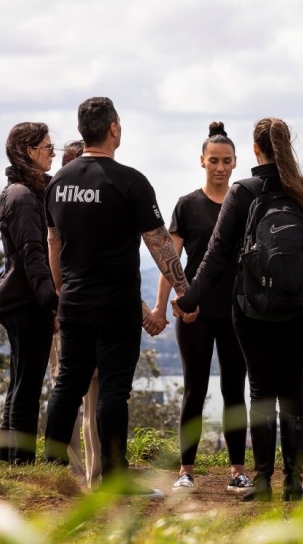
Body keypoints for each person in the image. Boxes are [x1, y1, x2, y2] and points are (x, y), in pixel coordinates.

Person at [175, 118, 303, 502]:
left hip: (252, 308)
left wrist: (189, 299)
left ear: (255, 150)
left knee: (260, 391)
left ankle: (261, 482)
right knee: (294, 391)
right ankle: (292, 482)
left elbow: (216, 256)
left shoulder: (242, 193)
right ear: (288, 146)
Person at [41, 97, 191, 487]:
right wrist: (185, 293)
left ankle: (50, 472)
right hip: (117, 306)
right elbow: (160, 245)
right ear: (113, 129)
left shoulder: (58, 182)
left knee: (67, 385)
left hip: (74, 303)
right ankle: (113, 477)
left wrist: (60, 292)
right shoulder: (130, 181)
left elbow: (54, 243)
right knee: (113, 390)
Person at [150, 122, 253, 494]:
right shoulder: (187, 204)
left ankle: (237, 470)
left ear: (236, 162)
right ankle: (186, 470)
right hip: (194, 312)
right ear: (202, 161)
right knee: (194, 389)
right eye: (214, 160)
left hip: (237, 311)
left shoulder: (246, 204)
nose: (220, 167)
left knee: (234, 390)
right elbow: (170, 260)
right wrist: (162, 307)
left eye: (226, 161)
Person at [0, 122, 59, 464]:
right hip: (28, 302)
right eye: (47, 147)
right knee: (28, 385)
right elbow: (34, 254)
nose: (53, 153)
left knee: (19, 381)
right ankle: (21, 463)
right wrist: (51, 300)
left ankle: (9, 459)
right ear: (29, 151)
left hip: (20, 299)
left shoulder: (20, 192)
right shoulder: (23, 197)